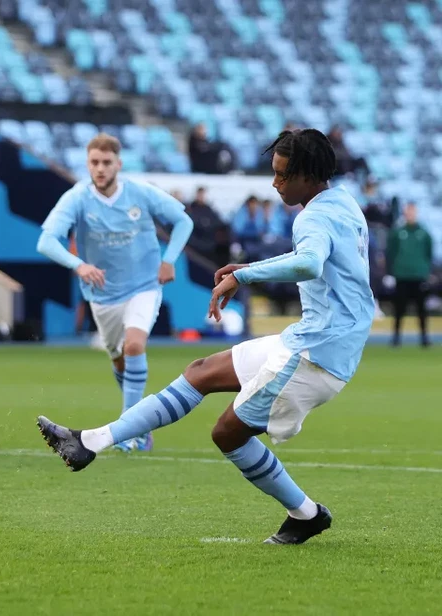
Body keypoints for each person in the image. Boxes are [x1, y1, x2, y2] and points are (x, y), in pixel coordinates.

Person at [38, 129, 375, 545]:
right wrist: (248, 266)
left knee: (226, 434)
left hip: (314, 356)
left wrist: (244, 275)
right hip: (310, 340)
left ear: (307, 174)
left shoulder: (313, 217)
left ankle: (305, 513)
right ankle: (90, 441)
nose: (275, 183)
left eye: (282, 175)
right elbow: (317, 259)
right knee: (201, 372)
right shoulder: (341, 202)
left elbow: (308, 263)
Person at [36, 134, 194, 452]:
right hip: (103, 295)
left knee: (135, 345)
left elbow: (183, 221)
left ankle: (129, 431)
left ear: (118, 164)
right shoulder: (77, 198)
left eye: (107, 162)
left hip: (144, 285)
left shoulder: (139, 192)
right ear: (87, 164)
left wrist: (168, 260)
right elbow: (46, 241)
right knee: (120, 360)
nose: (100, 168)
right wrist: (79, 265)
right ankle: (141, 425)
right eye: (95, 162)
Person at [387, 203, 433, 347]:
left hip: (419, 276)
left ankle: (424, 338)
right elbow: (391, 253)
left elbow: (428, 253)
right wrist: (391, 273)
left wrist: (425, 271)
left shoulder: (424, 233)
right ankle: (396, 338)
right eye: (408, 212)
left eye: (412, 212)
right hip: (402, 275)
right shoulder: (398, 232)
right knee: (399, 309)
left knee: (421, 310)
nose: (410, 214)